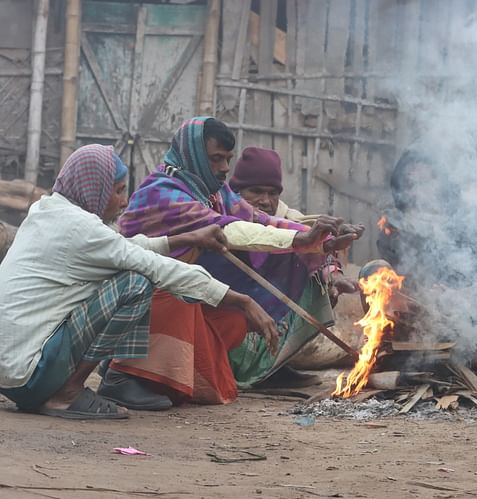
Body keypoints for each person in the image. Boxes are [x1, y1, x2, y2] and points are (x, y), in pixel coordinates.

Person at [0, 145, 275, 419]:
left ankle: (97, 380)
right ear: (93, 188)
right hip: (30, 376)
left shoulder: (47, 211)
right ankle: (68, 394)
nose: (124, 201)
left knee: (125, 271)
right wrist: (241, 300)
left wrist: (187, 239)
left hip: (9, 377)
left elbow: (123, 247)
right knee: (135, 283)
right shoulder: (82, 228)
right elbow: (153, 266)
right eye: (118, 190)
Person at [104, 117, 359, 406]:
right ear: (195, 156)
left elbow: (258, 220)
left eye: (227, 159)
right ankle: (125, 373)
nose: (225, 168)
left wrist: (319, 242)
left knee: (274, 278)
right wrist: (302, 239)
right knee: (178, 297)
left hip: (183, 289)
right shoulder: (162, 193)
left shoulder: (211, 190)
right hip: (141, 300)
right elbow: (228, 229)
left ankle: (247, 368)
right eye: (216, 159)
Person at [375, 147, 477, 389]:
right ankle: (422, 367)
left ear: (442, 182)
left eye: (428, 180)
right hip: (424, 320)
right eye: (411, 184)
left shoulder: (468, 216)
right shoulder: (394, 228)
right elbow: (409, 277)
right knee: (373, 272)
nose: (420, 191)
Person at [228, 146, 364, 306]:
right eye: (256, 191)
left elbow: (313, 244)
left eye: (272, 194)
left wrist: (333, 275)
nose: (265, 201)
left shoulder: (287, 218)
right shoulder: (222, 214)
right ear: (236, 192)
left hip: (276, 308)